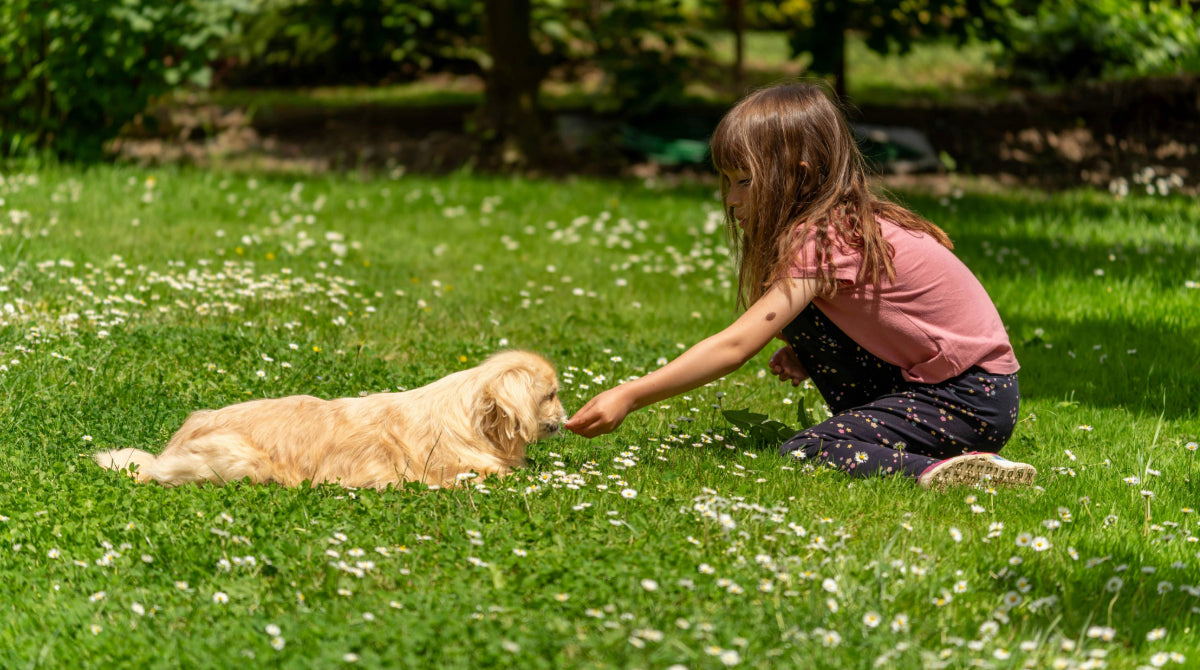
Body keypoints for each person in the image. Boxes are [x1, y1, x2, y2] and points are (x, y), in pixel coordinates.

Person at [565, 82, 1036, 490]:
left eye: (744, 181)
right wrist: (813, 349)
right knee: (799, 317)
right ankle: (913, 447)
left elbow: (734, 345)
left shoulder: (824, 237)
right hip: (966, 391)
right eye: (726, 182)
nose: (730, 200)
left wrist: (631, 394)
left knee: (810, 448)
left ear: (800, 175)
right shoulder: (839, 223)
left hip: (969, 399)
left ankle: (938, 471)